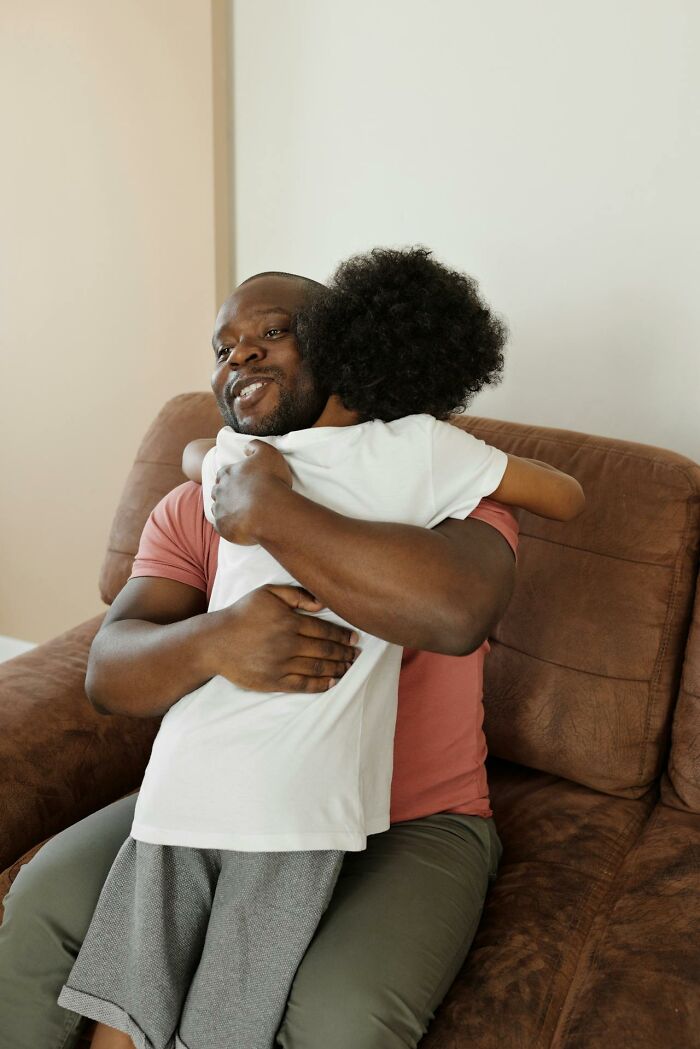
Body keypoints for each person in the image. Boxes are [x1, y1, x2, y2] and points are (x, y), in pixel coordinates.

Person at [54, 248, 583, 1049]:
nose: (241, 354)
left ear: (350, 347)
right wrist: (218, 636)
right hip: (189, 783)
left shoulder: (423, 461)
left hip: (333, 810)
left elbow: (456, 608)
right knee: (117, 1002)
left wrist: (269, 510)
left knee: (249, 1018)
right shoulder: (228, 467)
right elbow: (107, 670)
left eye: (273, 332)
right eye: (223, 348)